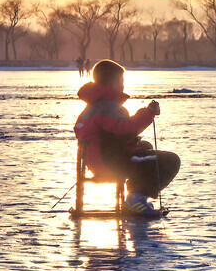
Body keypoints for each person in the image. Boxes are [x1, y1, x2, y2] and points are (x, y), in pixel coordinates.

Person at [74, 59, 181, 217]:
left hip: (96, 161)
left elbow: (111, 132)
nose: (123, 86)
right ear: (113, 82)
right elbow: (127, 129)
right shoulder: (109, 106)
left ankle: (135, 197)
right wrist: (149, 113)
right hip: (112, 163)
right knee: (171, 160)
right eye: (121, 82)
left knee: (145, 146)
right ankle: (136, 198)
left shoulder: (91, 108)